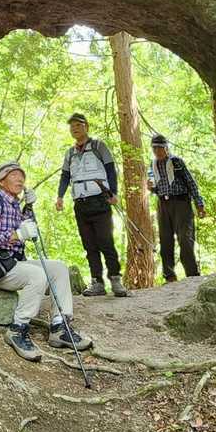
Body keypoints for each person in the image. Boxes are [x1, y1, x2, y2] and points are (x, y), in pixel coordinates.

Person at [0, 161, 93, 361]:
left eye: (22, 176)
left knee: (59, 268)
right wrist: (18, 235)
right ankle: (17, 329)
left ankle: (59, 326)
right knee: (38, 274)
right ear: (1, 181)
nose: (20, 179)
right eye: (14, 175)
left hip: (14, 263)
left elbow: (32, 232)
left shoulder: (15, 206)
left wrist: (29, 207)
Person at [54, 112, 128, 298]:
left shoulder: (98, 146)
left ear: (86, 126)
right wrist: (60, 196)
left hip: (100, 200)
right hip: (80, 203)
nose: (74, 129)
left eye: (78, 125)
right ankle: (97, 282)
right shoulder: (69, 153)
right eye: (72, 126)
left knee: (106, 241)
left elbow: (110, 169)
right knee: (89, 245)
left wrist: (114, 193)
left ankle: (115, 279)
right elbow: (65, 176)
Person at [146, 133, 207, 280]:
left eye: (160, 148)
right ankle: (169, 276)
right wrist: (151, 188)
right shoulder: (152, 165)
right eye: (154, 148)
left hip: (181, 203)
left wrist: (199, 204)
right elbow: (156, 187)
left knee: (185, 238)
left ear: (166, 148)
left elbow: (191, 182)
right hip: (163, 204)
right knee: (165, 239)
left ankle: (192, 274)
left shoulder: (176, 162)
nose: (157, 151)